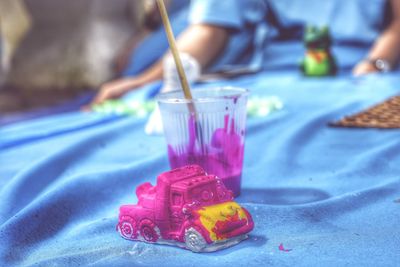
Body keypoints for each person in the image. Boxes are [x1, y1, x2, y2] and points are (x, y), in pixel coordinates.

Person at [91, 0, 400, 106]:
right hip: (272, 73)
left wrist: (376, 65)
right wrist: (145, 81)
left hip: (359, 69)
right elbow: (208, 30)